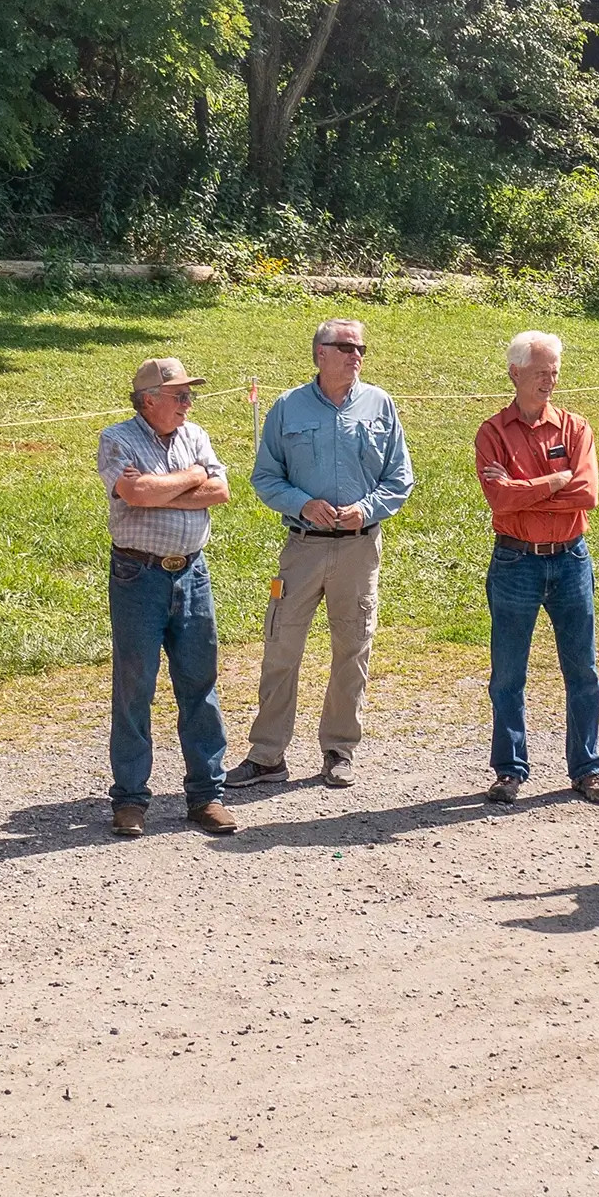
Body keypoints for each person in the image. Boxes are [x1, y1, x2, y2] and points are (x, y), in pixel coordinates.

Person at [230, 317, 416, 790]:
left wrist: (368, 509)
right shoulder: (288, 407)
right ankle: (268, 756)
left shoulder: (380, 404)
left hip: (359, 549)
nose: (357, 355)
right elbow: (265, 478)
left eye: (361, 348)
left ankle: (339, 751)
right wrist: (302, 504)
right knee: (281, 648)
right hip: (301, 549)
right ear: (320, 353)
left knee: (353, 650)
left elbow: (400, 477)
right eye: (346, 346)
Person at [99, 358, 241, 840]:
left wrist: (165, 489)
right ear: (148, 400)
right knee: (135, 685)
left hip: (192, 572)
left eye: (188, 395)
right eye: (178, 395)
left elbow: (221, 492)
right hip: (138, 573)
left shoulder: (195, 434)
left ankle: (207, 795)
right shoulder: (117, 438)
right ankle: (131, 799)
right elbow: (134, 493)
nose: (187, 403)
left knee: (200, 682)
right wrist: (190, 478)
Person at [475, 329, 599, 805]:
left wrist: (526, 486)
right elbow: (497, 498)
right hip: (516, 562)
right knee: (508, 674)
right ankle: (509, 771)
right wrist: (556, 480)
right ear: (514, 373)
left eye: (554, 371)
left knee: (584, 672)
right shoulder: (492, 432)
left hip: (571, 559)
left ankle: (587, 770)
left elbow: (587, 494)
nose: (549, 380)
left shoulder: (577, 428)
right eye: (540, 372)